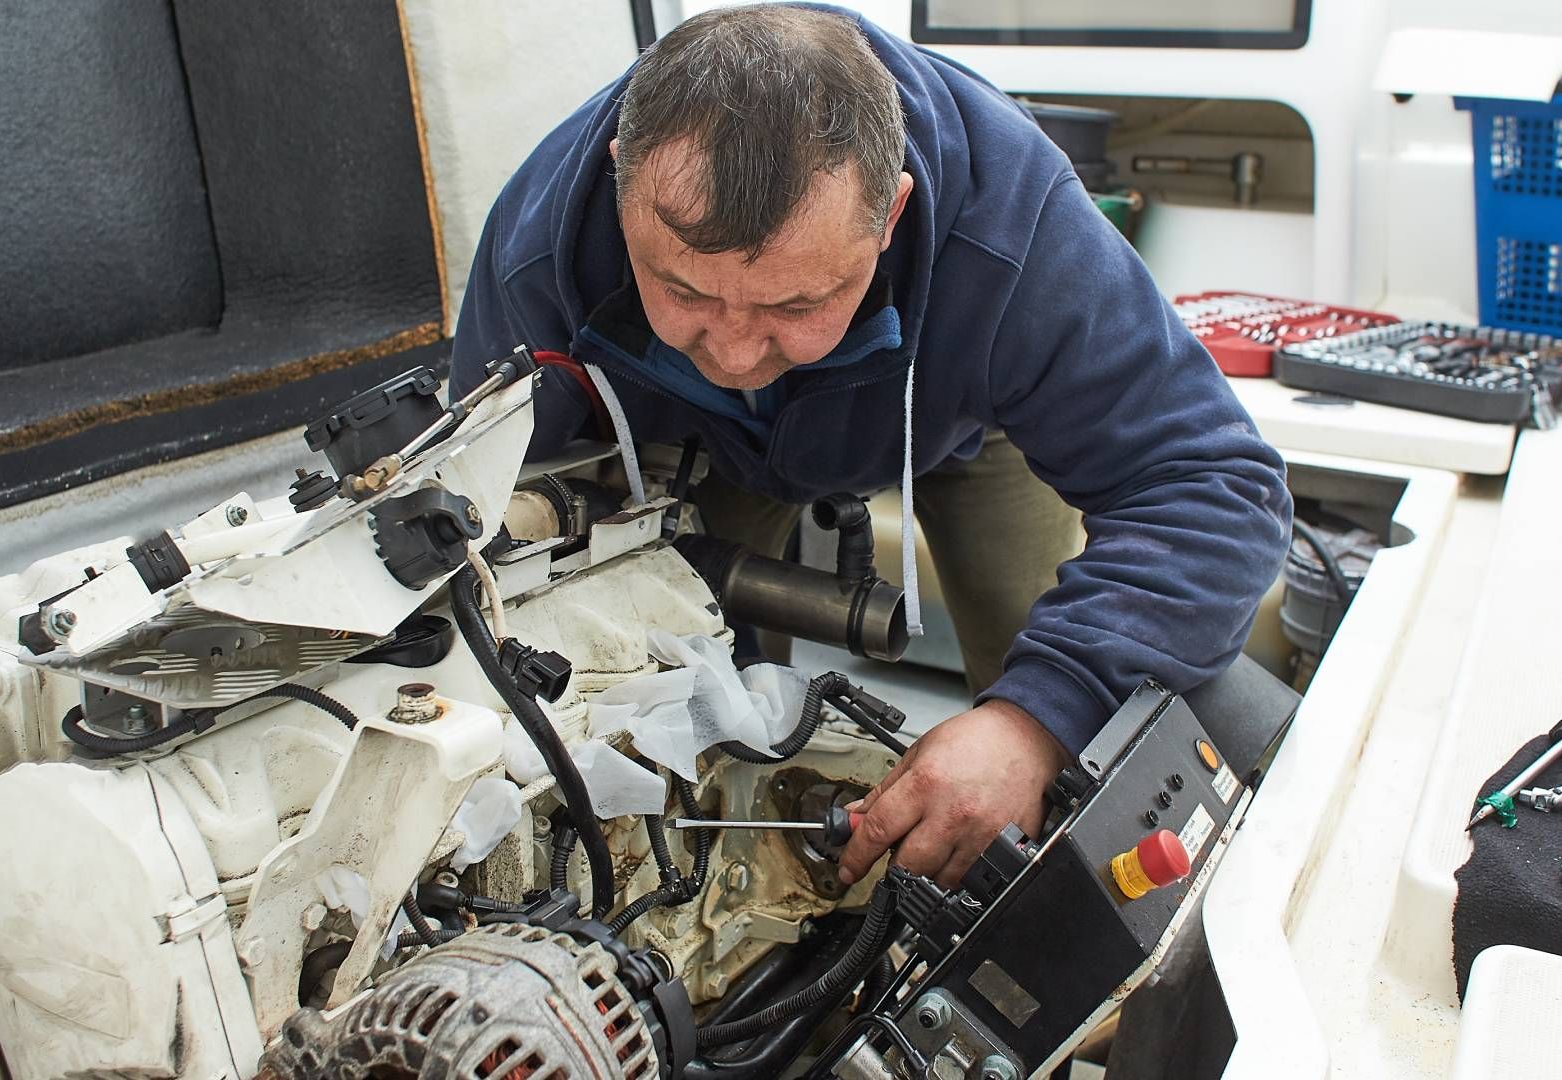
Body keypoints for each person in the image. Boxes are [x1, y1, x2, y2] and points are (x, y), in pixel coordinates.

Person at [450, 3, 1290, 888]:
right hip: (693, 445)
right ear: (623, 184)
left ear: (890, 212)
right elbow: (482, 497)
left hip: (966, 421)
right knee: (681, 684)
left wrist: (1038, 717)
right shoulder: (539, 247)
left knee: (1059, 701)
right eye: (683, 291)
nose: (737, 354)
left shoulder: (1014, 228)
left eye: (794, 305)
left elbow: (1211, 485)